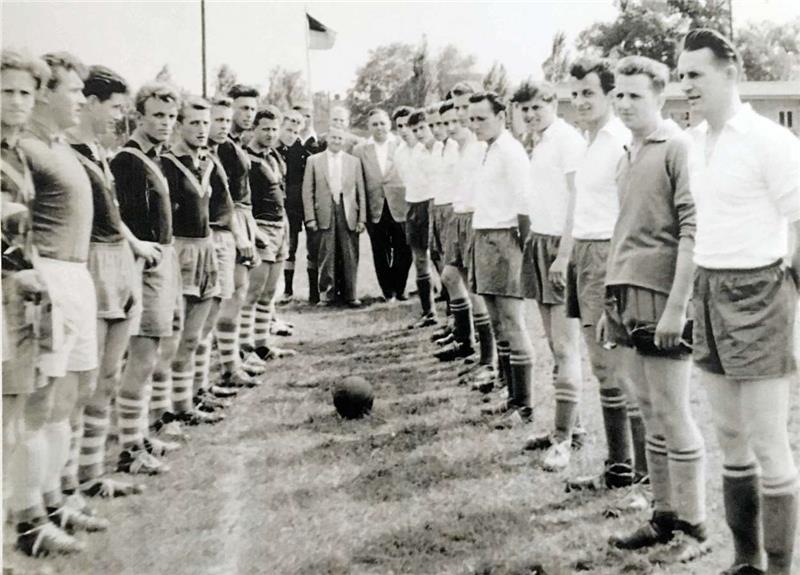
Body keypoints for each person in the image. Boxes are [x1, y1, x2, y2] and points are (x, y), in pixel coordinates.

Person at [679, 29, 800, 575]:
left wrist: (787, 298)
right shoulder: (695, 142)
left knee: (769, 440)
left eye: (695, 75)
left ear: (731, 73)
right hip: (709, 288)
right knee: (729, 435)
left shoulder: (771, 141)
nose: (685, 86)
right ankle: (745, 560)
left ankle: (780, 567)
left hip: (760, 291)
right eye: (681, 76)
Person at [600, 56, 708, 564]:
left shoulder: (678, 147)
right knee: (648, 410)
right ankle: (663, 517)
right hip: (626, 294)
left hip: (663, 297)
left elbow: (693, 229)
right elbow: (625, 233)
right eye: (618, 94)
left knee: (673, 411)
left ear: (660, 96)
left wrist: (676, 308)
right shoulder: (627, 151)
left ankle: (694, 524)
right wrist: (609, 301)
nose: (624, 103)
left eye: (635, 95)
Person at [19, 50, 110, 552]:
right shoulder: (24, 150)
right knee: (41, 404)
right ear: (44, 93)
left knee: (71, 398)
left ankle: (57, 499)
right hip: (48, 276)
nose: (80, 99)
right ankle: (31, 520)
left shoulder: (62, 148)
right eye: (73, 91)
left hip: (77, 275)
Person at [2, 48, 90, 557]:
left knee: (20, 419)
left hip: (22, 294)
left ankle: (29, 525)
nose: (16, 101)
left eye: (23, 93)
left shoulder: (15, 151)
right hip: (13, 287)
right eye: (6, 92)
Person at [68, 65, 158, 497]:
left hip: (119, 263)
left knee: (108, 376)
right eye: (117, 108)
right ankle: (69, 481)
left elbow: (113, 216)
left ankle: (92, 474)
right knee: (84, 381)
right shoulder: (67, 152)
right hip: (89, 265)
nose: (119, 117)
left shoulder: (100, 152)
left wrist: (134, 245)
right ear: (90, 103)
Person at [562, 57, 645, 493]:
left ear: (611, 96)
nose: (579, 101)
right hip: (584, 252)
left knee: (618, 369)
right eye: (575, 94)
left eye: (588, 93)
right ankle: (619, 467)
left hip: (608, 257)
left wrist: (615, 267)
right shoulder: (589, 141)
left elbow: (631, 212)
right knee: (602, 367)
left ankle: (639, 473)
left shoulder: (618, 142)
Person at [511, 81, 587, 470]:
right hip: (539, 243)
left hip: (561, 246)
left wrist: (565, 255)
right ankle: (571, 426)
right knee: (553, 344)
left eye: (536, 107)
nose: (529, 114)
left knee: (565, 347)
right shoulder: (539, 141)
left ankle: (562, 439)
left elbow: (579, 198)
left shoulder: (567, 140)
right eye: (523, 109)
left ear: (553, 104)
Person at [111, 81, 182, 473]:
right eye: (158, 115)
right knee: (140, 356)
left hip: (163, 260)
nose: (167, 123)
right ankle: (128, 449)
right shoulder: (127, 159)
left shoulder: (156, 156)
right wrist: (137, 245)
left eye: (172, 117)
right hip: (142, 265)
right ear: (140, 116)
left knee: (155, 351)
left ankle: (139, 434)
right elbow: (114, 214)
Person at [467, 91, 535, 429]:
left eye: (481, 118)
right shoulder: (488, 150)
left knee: (512, 322)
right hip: (485, 238)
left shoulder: (511, 151)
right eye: (472, 118)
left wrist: (521, 250)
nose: (475, 124)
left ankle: (524, 406)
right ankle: (509, 395)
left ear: (501, 117)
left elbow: (525, 206)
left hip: (506, 240)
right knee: (496, 323)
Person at [158, 96, 224, 426]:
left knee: (196, 335)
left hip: (206, 247)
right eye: (193, 123)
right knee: (176, 338)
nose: (201, 129)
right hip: (180, 251)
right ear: (180, 125)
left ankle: (189, 401)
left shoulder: (208, 161)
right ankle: (164, 411)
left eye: (205, 122)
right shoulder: (166, 163)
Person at [205, 95, 258, 391]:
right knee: (226, 297)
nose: (223, 125)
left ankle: (233, 360)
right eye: (220, 119)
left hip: (235, 224)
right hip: (221, 230)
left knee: (238, 292)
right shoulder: (215, 151)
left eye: (226, 120)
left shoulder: (225, 148)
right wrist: (238, 232)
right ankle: (229, 363)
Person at [242, 107, 295, 362]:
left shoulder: (274, 155)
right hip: (259, 226)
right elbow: (240, 200)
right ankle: (245, 349)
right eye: (265, 128)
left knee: (269, 292)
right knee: (252, 292)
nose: (271, 133)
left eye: (275, 129)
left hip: (279, 226)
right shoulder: (244, 158)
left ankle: (263, 345)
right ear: (254, 129)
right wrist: (251, 229)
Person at [302, 127, 367, 306]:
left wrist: (362, 218)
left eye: (340, 138)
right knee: (326, 253)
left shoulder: (353, 162)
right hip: (324, 211)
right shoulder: (313, 161)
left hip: (348, 212)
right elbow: (307, 192)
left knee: (350, 253)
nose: (337, 141)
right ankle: (326, 295)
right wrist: (310, 218)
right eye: (333, 138)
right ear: (327, 139)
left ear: (344, 140)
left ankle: (351, 294)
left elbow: (361, 191)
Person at [354, 108, 411, 303]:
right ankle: (388, 291)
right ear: (369, 127)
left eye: (382, 123)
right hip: (375, 206)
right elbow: (359, 181)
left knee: (403, 247)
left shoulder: (401, 144)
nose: (379, 128)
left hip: (399, 203)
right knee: (380, 249)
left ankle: (400, 287)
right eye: (375, 124)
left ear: (389, 124)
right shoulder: (360, 150)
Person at [404, 109, 443, 328]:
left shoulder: (442, 149)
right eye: (415, 129)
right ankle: (429, 312)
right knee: (419, 260)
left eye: (422, 128)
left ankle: (456, 317)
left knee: (440, 258)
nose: (419, 133)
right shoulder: (415, 151)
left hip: (434, 204)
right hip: (414, 205)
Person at [275, 109, 310, 303]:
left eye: (296, 132)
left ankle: (290, 290)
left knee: (293, 246)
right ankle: (282, 289)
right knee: (280, 247)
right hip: (276, 203)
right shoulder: (272, 149)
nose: (292, 135)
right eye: (288, 130)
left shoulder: (300, 150)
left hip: (296, 204)